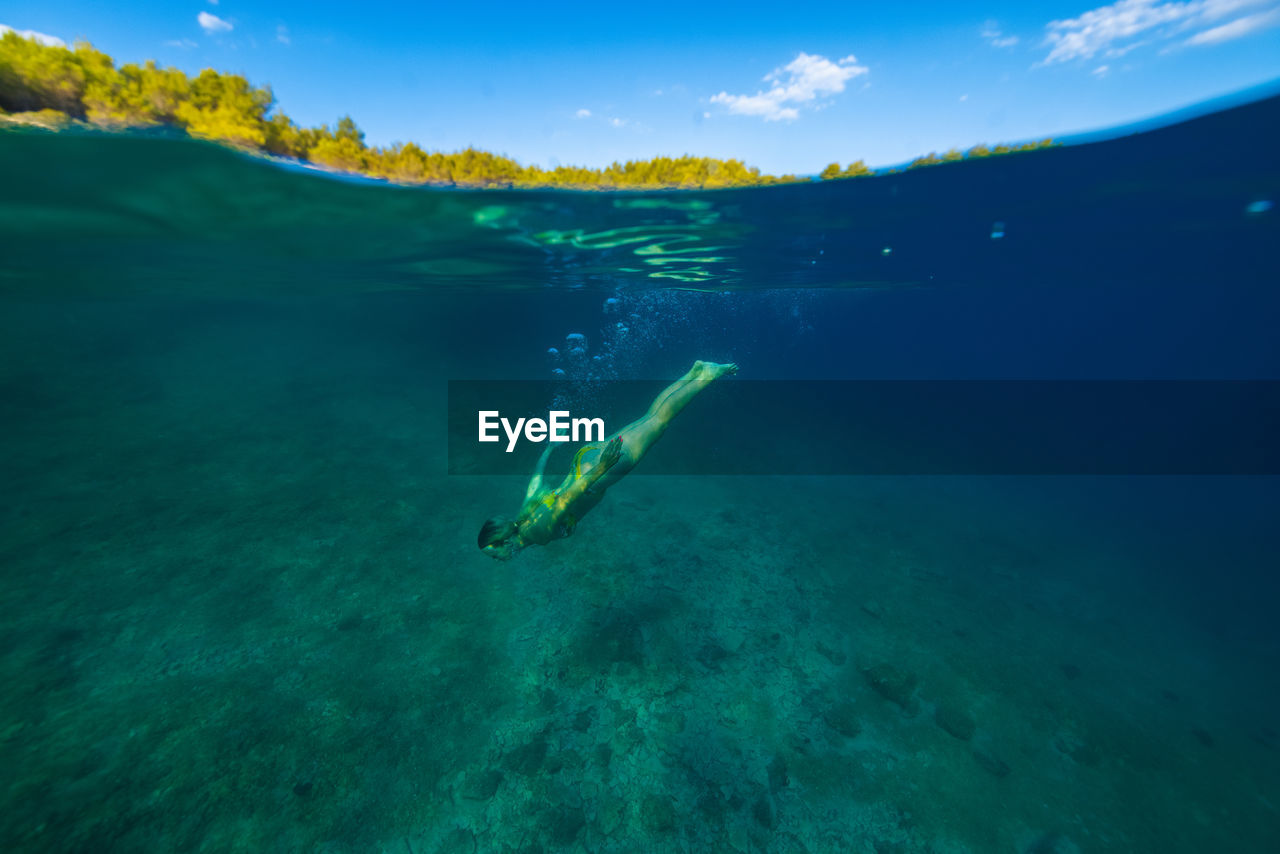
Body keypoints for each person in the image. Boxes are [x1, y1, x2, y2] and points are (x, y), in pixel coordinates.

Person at [478, 360, 737, 560]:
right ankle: (694, 372)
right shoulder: (523, 516)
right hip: (583, 459)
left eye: (495, 555)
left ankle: (709, 376)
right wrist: (549, 449)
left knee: (659, 422)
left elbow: (570, 497)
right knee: (650, 418)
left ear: (504, 541)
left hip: (595, 476)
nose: (500, 560)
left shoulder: (537, 533)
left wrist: (603, 467)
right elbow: (535, 482)